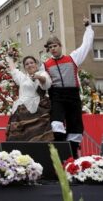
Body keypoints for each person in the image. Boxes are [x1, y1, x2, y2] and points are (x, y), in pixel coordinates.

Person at [43, 17, 94, 158]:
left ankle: (73, 155)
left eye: (55, 46)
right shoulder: (46, 65)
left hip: (73, 96)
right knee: (56, 123)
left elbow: (86, 45)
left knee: (75, 126)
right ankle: (60, 150)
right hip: (57, 96)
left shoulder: (73, 58)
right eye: (50, 47)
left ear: (60, 46)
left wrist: (88, 27)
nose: (53, 49)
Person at [5, 56, 53, 142]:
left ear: (36, 64)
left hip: (38, 108)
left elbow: (46, 83)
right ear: (24, 67)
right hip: (22, 109)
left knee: (38, 134)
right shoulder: (22, 78)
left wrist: (38, 77)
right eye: (27, 64)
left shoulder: (42, 73)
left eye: (31, 63)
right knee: (19, 135)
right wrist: (9, 57)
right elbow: (13, 70)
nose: (30, 65)